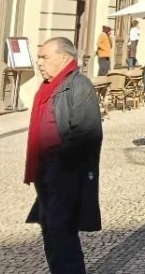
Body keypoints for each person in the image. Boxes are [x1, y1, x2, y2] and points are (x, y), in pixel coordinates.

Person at [25, 37, 102, 274]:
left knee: (60, 227)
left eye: (44, 57)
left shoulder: (78, 86)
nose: (39, 62)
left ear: (64, 58)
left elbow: (88, 131)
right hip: (44, 169)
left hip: (65, 171)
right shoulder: (49, 86)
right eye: (39, 57)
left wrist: (61, 161)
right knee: (50, 227)